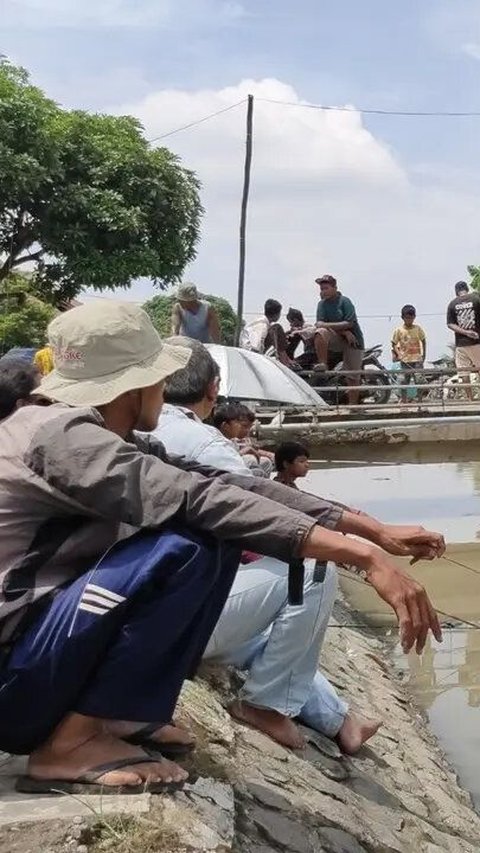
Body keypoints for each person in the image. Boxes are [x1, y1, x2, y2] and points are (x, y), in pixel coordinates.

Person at [0, 305, 445, 790]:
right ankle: (70, 747)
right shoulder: (63, 438)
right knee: (189, 542)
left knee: (212, 528)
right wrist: (361, 557)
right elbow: (201, 499)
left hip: (30, 661)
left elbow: (224, 485)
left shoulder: (92, 432)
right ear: (132, 385)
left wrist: (371, 532)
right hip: (14, 678)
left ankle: (118, 716)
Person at [153, 337, 445, 750]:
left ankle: (338, 718)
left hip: (165, 605)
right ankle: (267, 706)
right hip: (168, 618)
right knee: (308, 572)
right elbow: (262, 508)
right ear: (214, 389)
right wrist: (366, 548)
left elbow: (262, 497)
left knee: (268, 639)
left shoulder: (141, 434)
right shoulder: (202, 443)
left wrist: (373, 534)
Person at [314, 275, 365, 405]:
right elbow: (319, 324)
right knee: (320, 333)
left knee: (352, 376)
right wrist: (343, 331)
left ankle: (353, 406)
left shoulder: (344, 301)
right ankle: (323, 363)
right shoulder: (322, 304)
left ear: (335, 288)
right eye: (321, 289)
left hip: (353, 341)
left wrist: (344, 329)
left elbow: (350, 322)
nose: (323, 291)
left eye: (326, 288)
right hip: (336, 338)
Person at [447, 281, 480, 401]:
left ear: (456, 292)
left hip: (461, 343)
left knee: (464, 372)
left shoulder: (452, 304)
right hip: (477, 341)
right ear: (467, 289)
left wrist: (465, 332)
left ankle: (470, 399)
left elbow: (450, 324)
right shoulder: (476, 299)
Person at [240, 299, 294, 367]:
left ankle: (287, 360)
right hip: (250, 355)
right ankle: (285, 362)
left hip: (250, 352)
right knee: (277, 328)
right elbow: (255, 346)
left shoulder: (263, 323)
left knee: (275, 329)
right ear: (277, 314)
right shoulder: (261, 325)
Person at [391, 305, 427, 404]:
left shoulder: (418, 329)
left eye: (411, 318)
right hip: (405, 360)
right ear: (403, 317)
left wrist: (424, 355)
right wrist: (399, 354)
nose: (409, 320)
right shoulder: (399, 330)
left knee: (419, 381)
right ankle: (404, 401)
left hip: (417, 359)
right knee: (403, 381)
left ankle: (420, 402)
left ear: (414, 317)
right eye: (407, 318)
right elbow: (393, 344)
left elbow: (423, 340)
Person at [235, 404, 275, 477]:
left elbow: (251, 449)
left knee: (266, 462)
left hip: (245, 462)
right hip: (234, 465)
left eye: (249, 427)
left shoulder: (244, 437)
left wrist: (269, 455)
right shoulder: (227, 437)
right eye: (244, 426)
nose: (247, 430)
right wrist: (245, 451)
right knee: (250, 459)